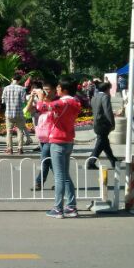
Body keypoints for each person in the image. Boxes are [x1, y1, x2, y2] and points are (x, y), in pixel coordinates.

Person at [36, 79, 82, 218]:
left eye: (58, 87)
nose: (56, 89)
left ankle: (58, 209)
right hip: (68, 140)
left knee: (59, 177)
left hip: (58, 140)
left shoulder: (63, 102)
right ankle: (71, 207)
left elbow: (41, 107)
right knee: (65, 176)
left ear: (65, 89)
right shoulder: (74, 102)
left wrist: (40, 97)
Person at [26, 81, 56, 191]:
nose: (45, 92)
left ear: (54, 90)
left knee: (44, 160)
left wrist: (41, 98)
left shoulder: (55, 103)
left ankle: (39, 182)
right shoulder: (40, 102)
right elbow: (28, 110)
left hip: (51, 137)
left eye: (47, 89)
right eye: (44, 89)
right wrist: (32, 97)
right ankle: (61, 180)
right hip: (42, 137)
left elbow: (45, 107)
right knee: (50, 162)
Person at [88, 82, 118, 169]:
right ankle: (91, 162)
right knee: (100, 143)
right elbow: (107, 111)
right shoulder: (105, 97)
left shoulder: (94, 97)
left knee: (105, 143)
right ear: (107, 89)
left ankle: (113, 160)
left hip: (96, 123)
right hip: (103, 124)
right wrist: (112, 123)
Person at [1, 74, 29, 154]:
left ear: (12, 78)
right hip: (19, 113)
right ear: (19, 80)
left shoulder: (6, 88)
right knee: (20, 131)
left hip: (9, 113)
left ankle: (10, 149)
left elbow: (3, 101)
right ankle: (20, 148)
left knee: (9, 132)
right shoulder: (22, 89)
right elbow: (24, 101)